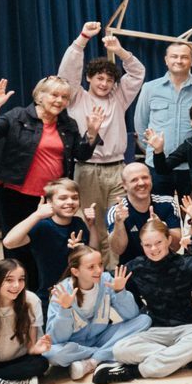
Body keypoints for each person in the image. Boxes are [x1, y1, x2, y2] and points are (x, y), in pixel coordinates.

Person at [0, 76, 103, 291]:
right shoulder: (18, 116)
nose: (59, 100)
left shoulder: (67, 123)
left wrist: (92, 133)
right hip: (17, 194)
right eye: (54, 95)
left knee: (48, 247)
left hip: (52, 199)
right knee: (18, 248)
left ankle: (45, 293)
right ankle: (19, 294)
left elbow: (80, 154)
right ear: (40, 96)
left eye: (64, 97)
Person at [95, 220, 192, 384]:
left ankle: (131, 372)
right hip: (156, 331)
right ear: (141, 245)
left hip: (188, 329)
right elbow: (104, 277)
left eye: (158, 242)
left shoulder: (184, 262)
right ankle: (189, 358)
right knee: (119, 350)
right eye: (148, 245)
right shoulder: (136, 266)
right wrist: (118, 288)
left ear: (169, 240)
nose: (153, 249)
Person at [59, 24, 145, 267]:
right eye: (100, 78)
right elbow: (68, 71)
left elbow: (137, 73)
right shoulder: (76, 97)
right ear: (88, 78)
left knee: (119, 219)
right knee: (94, 223)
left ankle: (119, 269)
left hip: (117, 167)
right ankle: (98, 270)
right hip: (87, 169)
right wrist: (83, 38)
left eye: (109, 80)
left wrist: (120, 52)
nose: (105, 83)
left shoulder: (119, 97)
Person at [43, 246, 151, 380]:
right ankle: (103, 355)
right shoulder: (61, 292)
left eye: (100, 264)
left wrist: (120, 292)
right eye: (91, 267)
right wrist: (65, 310)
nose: (99, 270)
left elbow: (132, 315)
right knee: (51, 354)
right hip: (73, 345)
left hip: (101, 337)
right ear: (75, 271)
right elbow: (57, 339)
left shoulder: (106, 281)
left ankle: (91, 362)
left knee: (144, 320)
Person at [133, 42, 192, 197]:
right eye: (174, 56)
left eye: (184, 57)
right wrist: (154, 150)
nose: (179, 61)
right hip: (157, 165)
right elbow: (140, 125)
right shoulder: (150, 88)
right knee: (160, 214)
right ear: (166, 60)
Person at [2, 178, 92, 306]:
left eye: (74, 198)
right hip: (50, 296)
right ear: (49, 202)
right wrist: (37, 215)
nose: (70, 202)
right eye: (63, 198)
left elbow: (94, 251)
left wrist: (91, 227)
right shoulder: (43, 226)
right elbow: (9, 242)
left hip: (80, 293)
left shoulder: (79, 223)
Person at [106, 163, 182, 266]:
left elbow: (176, 246)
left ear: (151, 179)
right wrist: (119, 223)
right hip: (132, 270)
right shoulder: (116, 211)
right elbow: (118, 250)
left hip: (166, 267)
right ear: (124, 185)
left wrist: (162, 228)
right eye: (134, 180)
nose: (141, 183)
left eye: (145, 177)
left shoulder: (167, 203)